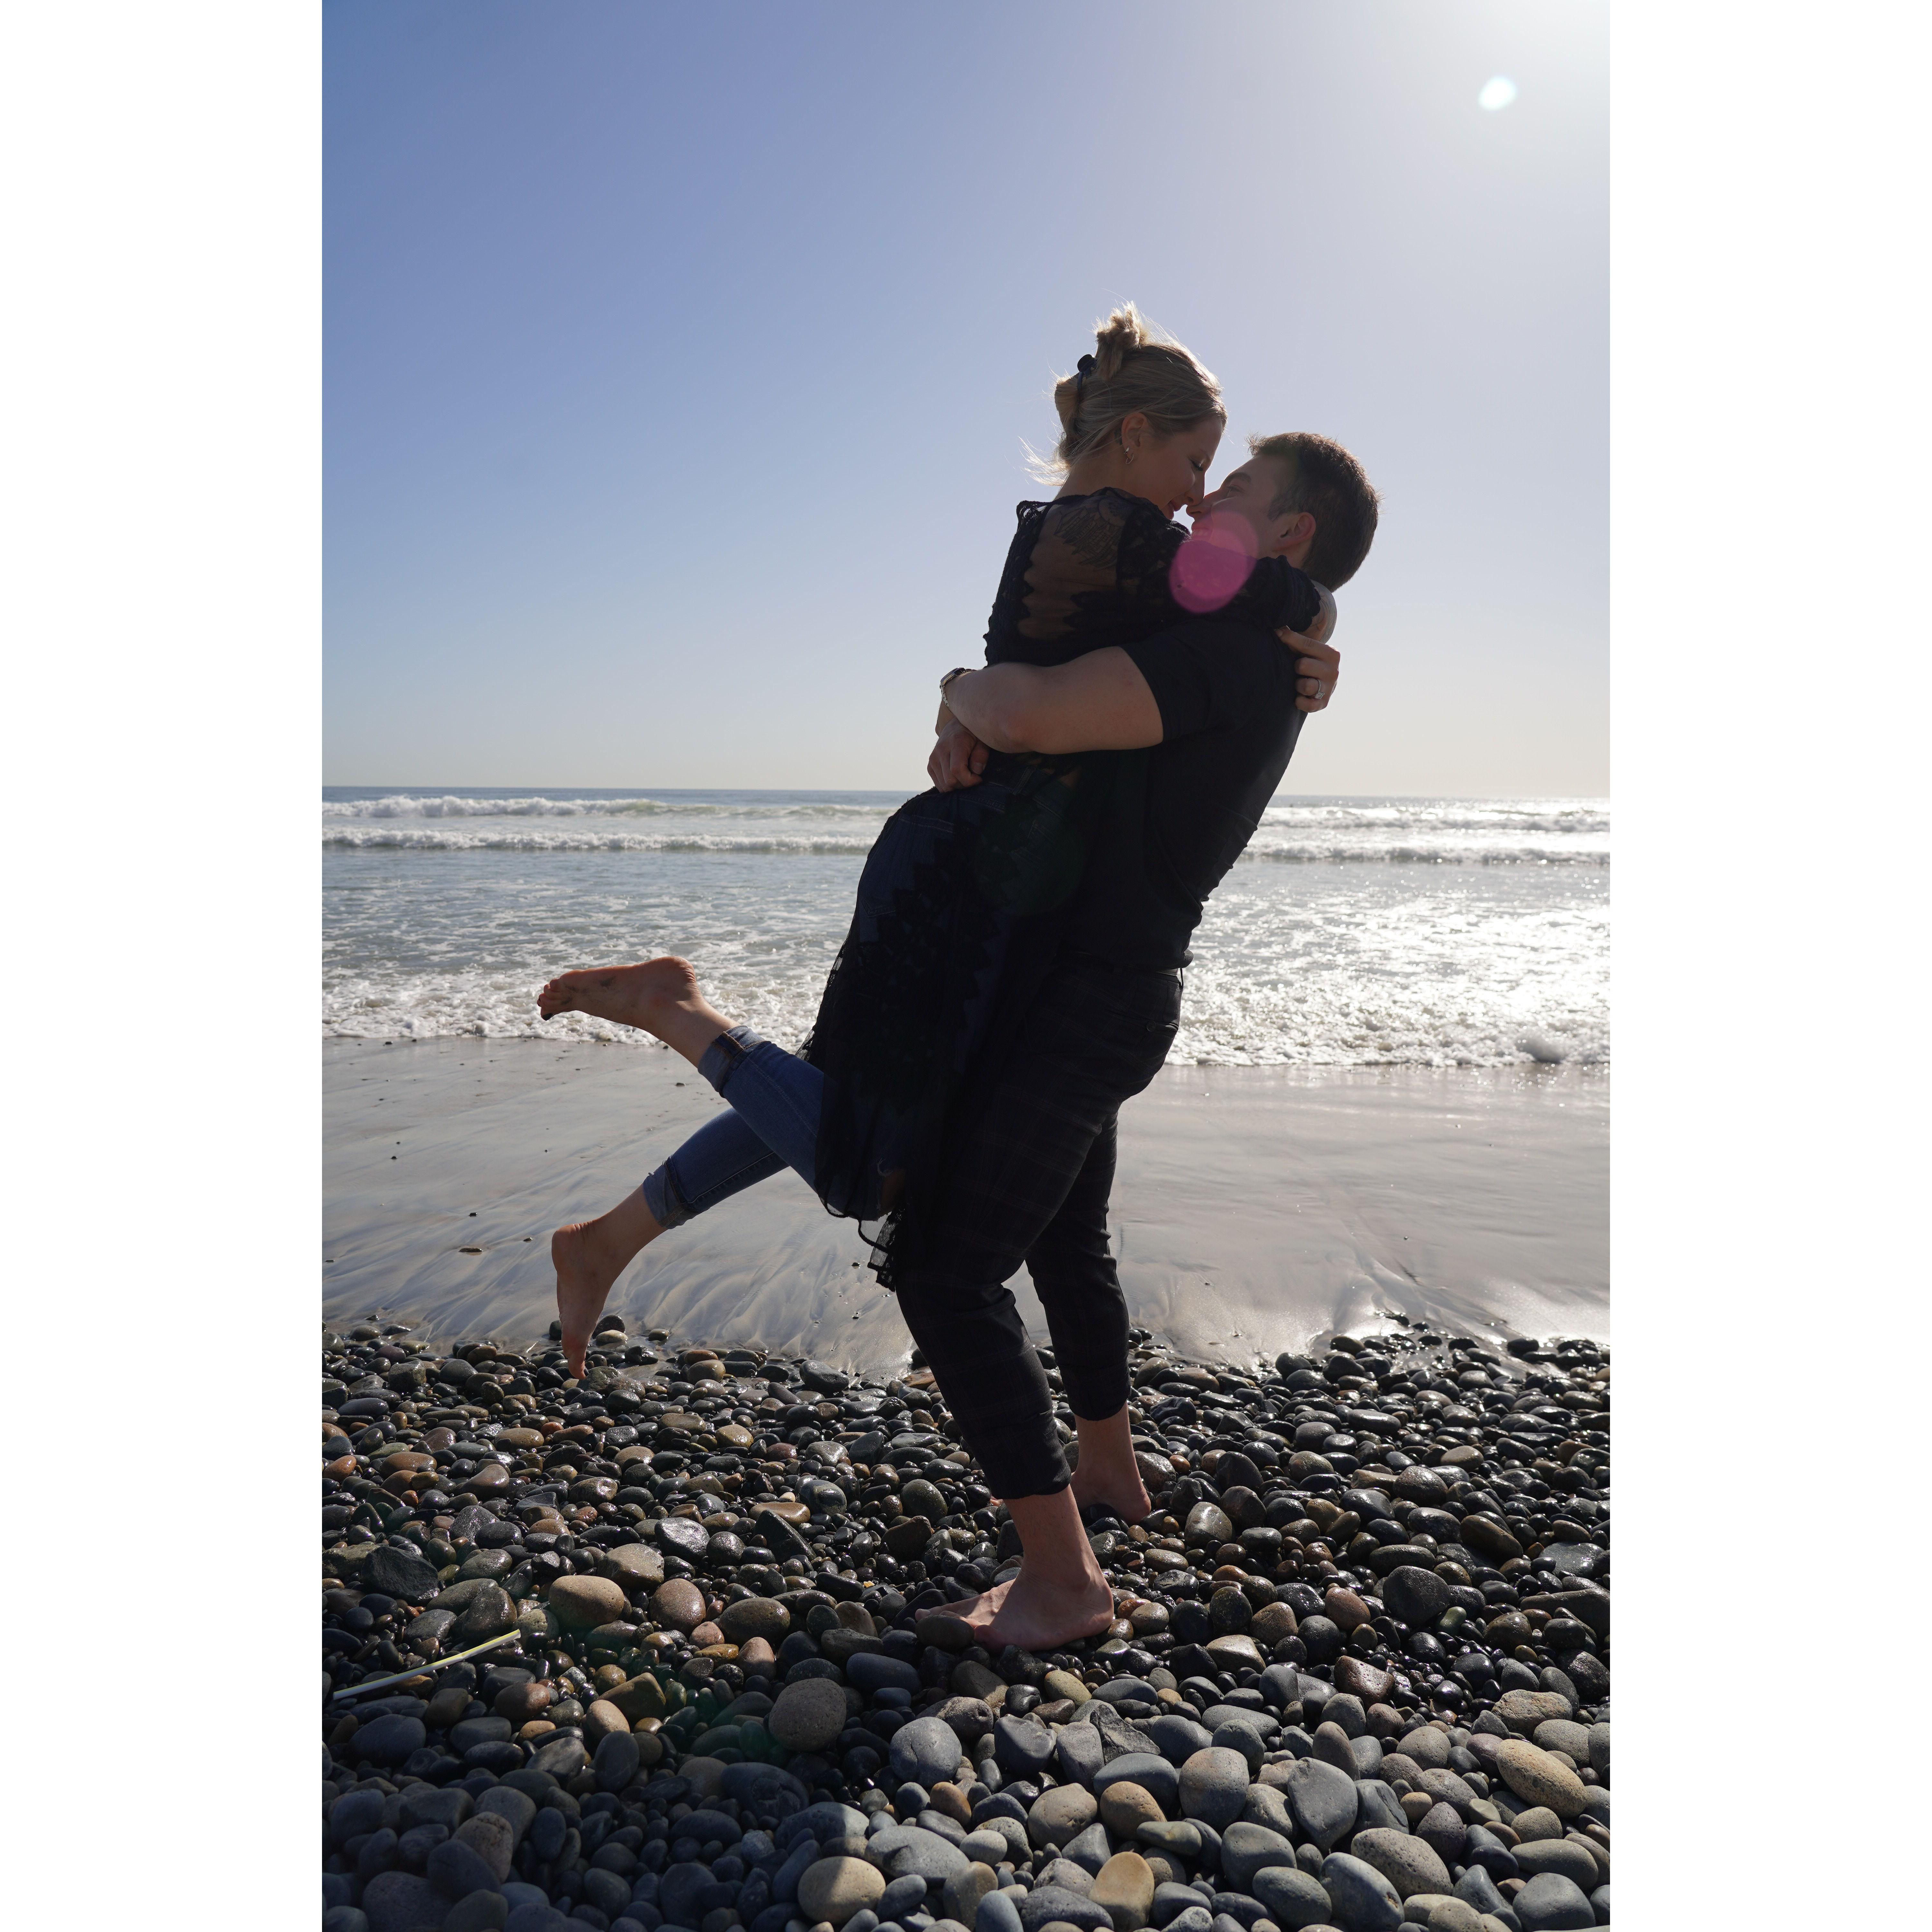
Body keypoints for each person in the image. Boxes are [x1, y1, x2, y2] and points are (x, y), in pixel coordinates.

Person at [538, 311, 1380, 1647]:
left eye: (1231, 486)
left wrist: (966, 691)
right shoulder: (1193, 601)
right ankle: (1105, 1472)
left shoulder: (1231, 636)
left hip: (1069, 983)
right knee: (1039, 1218)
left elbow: (1031, 704)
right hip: (1040, 952)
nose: (1203, 500)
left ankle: (1065, 1582)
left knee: (929, 1246)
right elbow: (1040, 670)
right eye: (1198, 468)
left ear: (1287, 533)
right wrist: (968, 705)